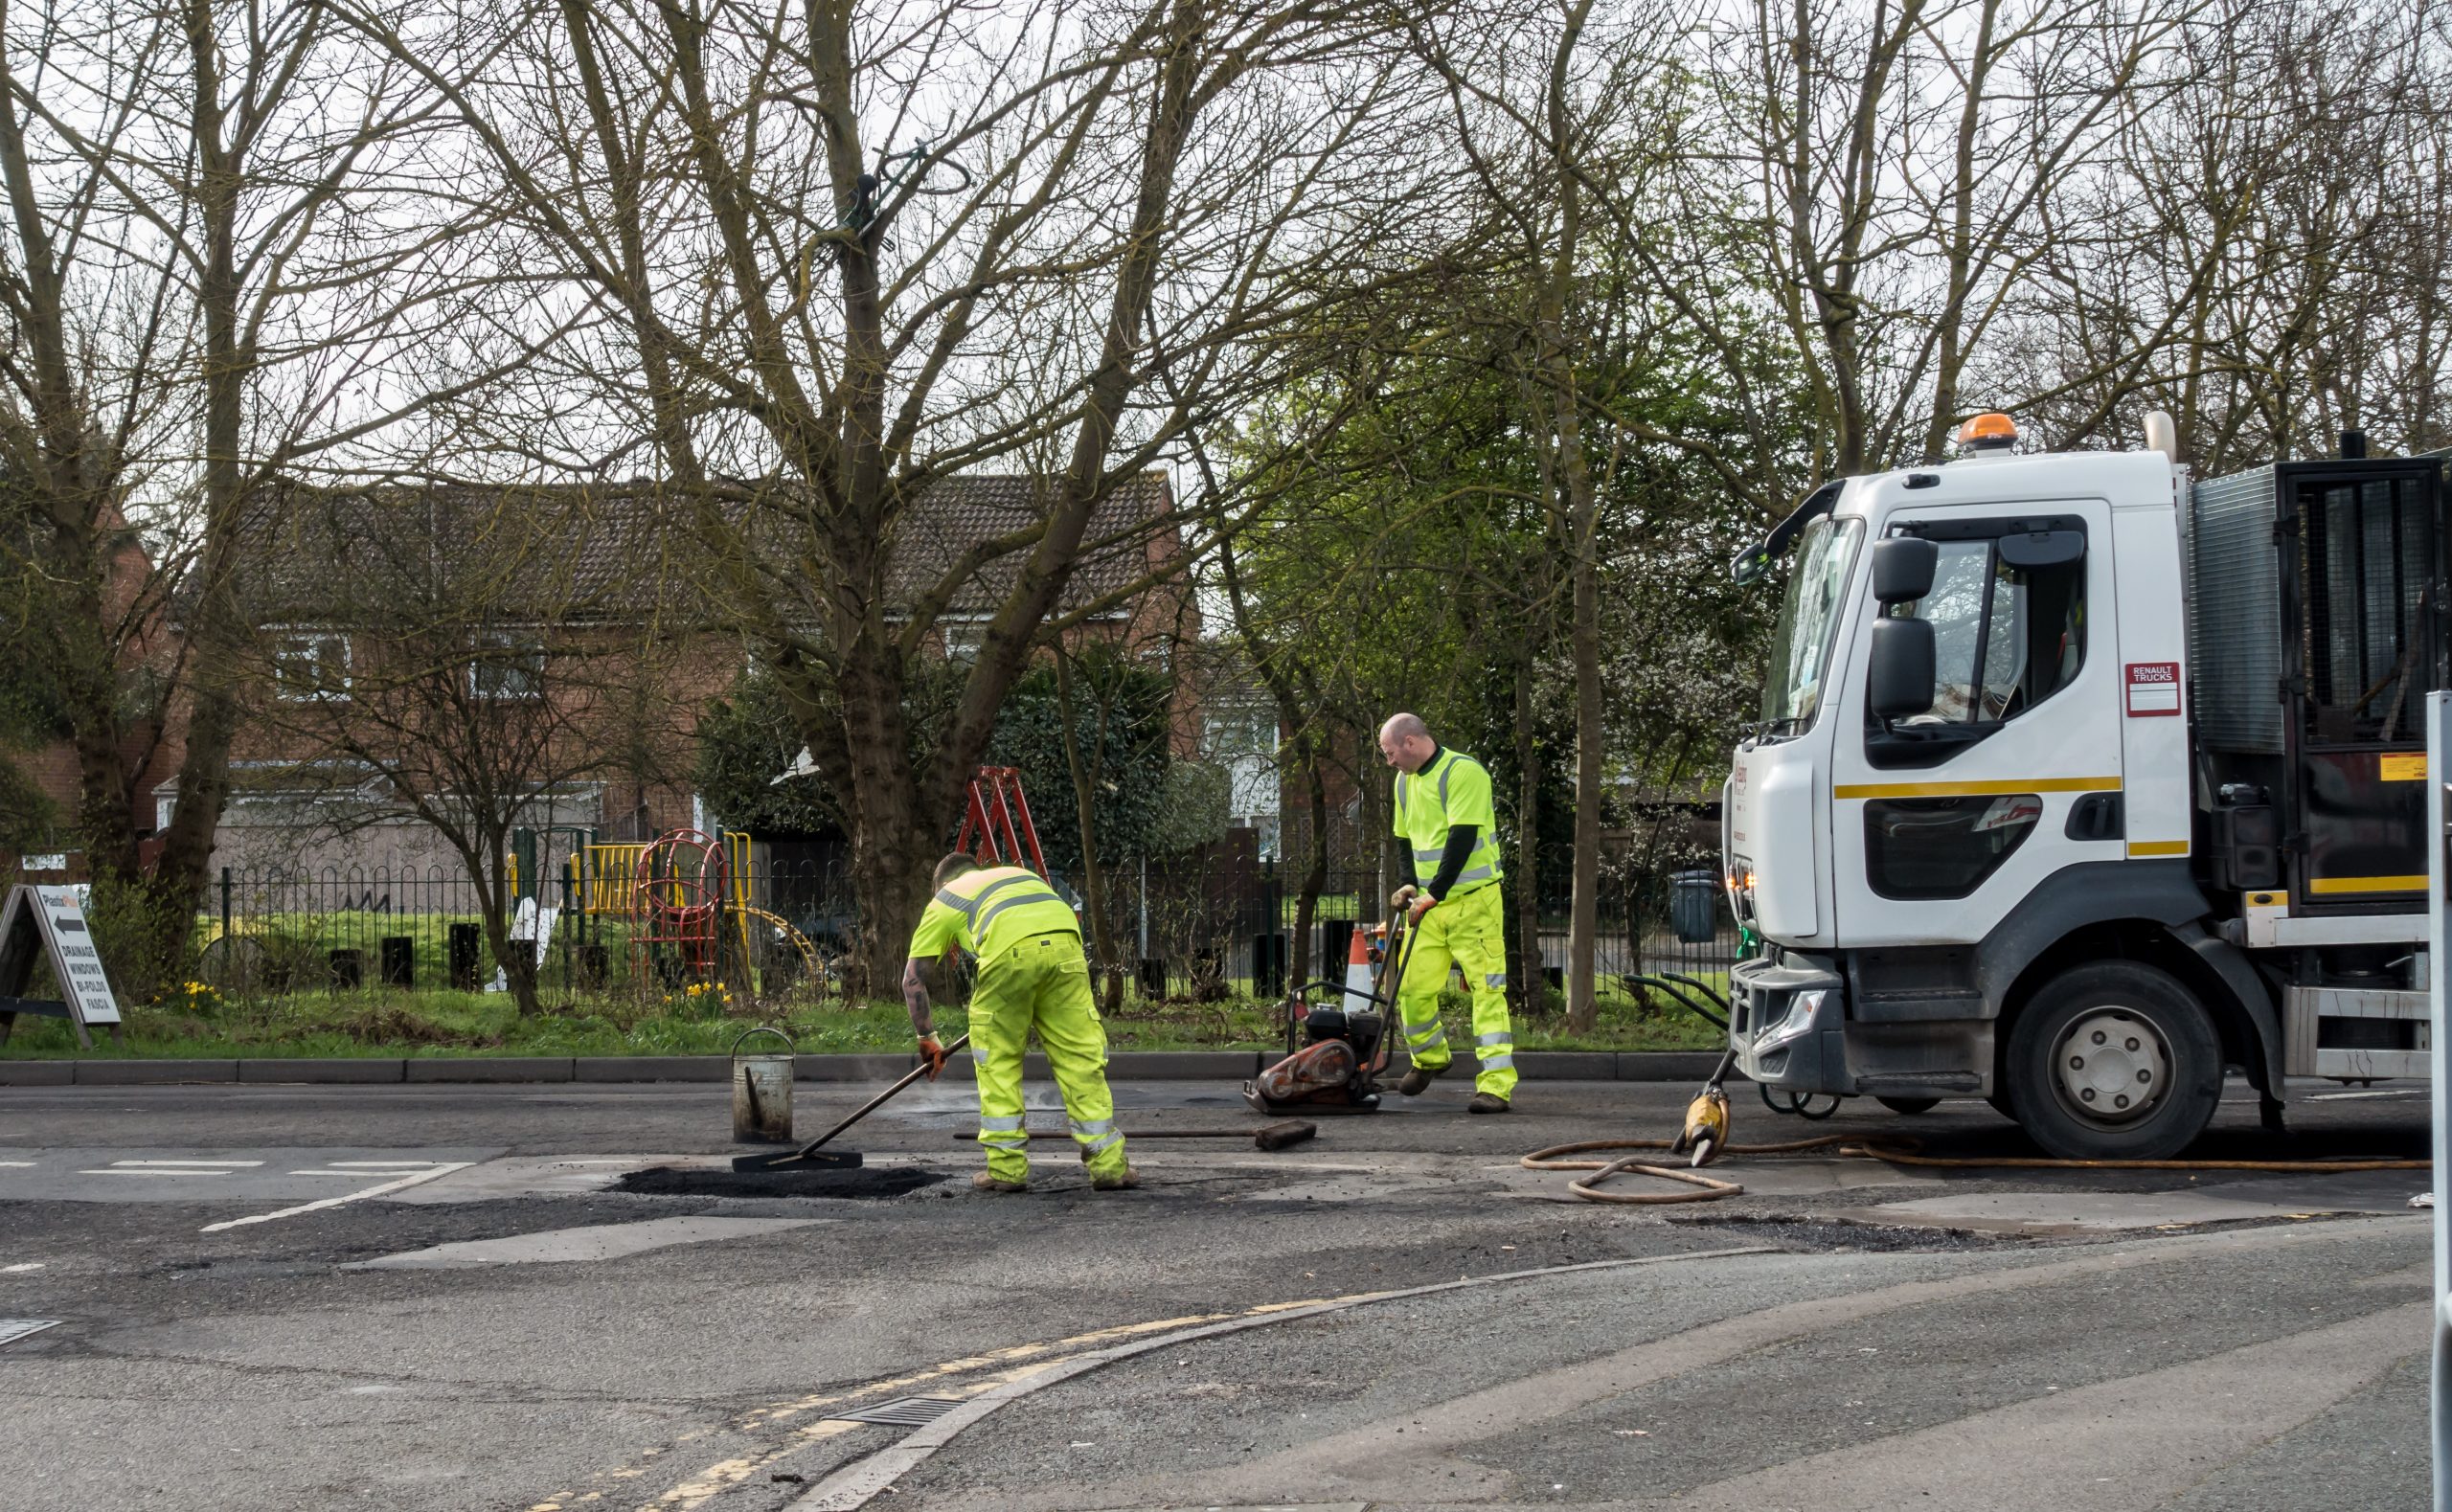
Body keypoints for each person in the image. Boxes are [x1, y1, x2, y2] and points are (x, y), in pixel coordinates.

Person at [903, 852, 1136, 1192]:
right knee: (1079, 1059)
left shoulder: (946, 898)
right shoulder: (1016, 875)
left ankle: (1006, 1170)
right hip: (1067, 951)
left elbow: (913, 980)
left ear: (941, 884)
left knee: (997, 1059)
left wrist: (928, 1038)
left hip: (1008, 957)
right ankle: (1109, 1167)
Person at [1378, 712, 1516, 1114]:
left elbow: (1462, 836)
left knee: (1487, 993)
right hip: (1429, 907)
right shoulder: (1403, 783)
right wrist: (1410, 884)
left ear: (1410, 742)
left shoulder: (1463, 772)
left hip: (1474, 904)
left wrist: (1433, 893)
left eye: (1390, 753)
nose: (1389, 762)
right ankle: (1431, 1058)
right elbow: (1405, 839)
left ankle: (1495, 1086)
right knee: (1412, 989)